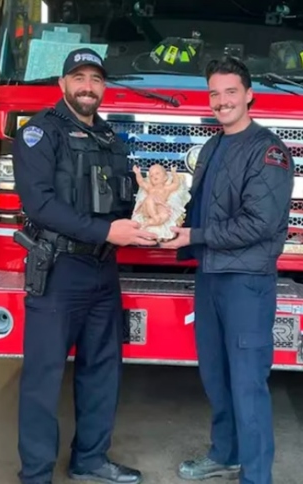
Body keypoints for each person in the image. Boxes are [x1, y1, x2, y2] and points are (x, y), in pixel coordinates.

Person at [12, 47, 155, 484]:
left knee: (102, 370)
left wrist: (155, 203)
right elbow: (39, 204)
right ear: (63, 85)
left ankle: (90, 459)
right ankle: (36, 474)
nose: (87, 87)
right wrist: (106, 233)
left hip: (102, 270)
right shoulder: (41, 132)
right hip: (59, 268)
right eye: (79, 78)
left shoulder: (111, 139)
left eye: (95, 79)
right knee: (43, 377)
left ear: (103, 87)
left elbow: (123, 201)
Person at [161, 56, 294, 484]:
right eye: (215, 93)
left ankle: (257, 476)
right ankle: (226, 454)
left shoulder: (268, 151)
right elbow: (197, 210)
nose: (222, 101)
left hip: (247, 283)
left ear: (249, 94)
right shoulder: (214, 146)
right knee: (215, 374)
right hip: (211, 276)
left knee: (247, 384)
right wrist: (160, 223)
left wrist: (192, 237)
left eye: (231, 92)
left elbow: (260, 223)